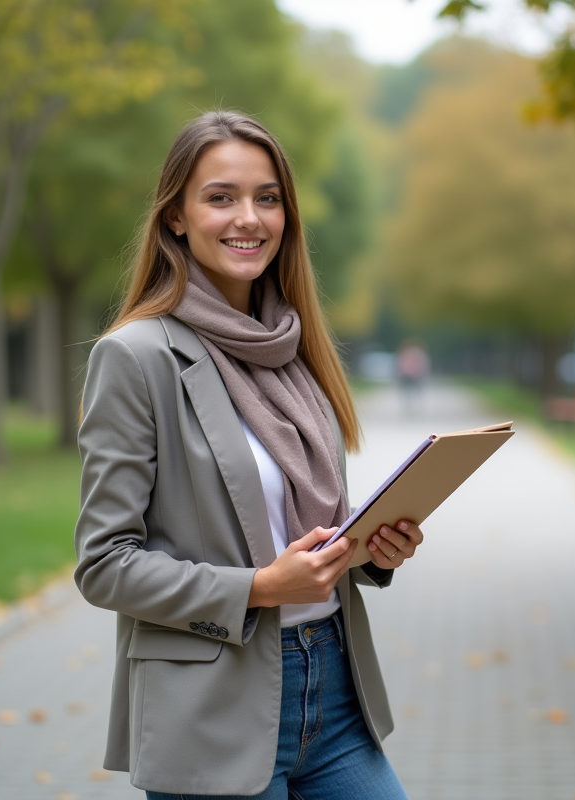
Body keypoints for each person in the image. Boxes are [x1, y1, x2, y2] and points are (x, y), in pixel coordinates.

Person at [74, 110, 419, 799]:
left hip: (333, 692)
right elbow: (104, 565)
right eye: (221, 197)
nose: (249, 218)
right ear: (176, 216)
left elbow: (303, 532)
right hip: (211, 707)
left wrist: (370, 550)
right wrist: (259, 588)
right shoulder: (136, 357)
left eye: (267, 198)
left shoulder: (295, 350)